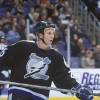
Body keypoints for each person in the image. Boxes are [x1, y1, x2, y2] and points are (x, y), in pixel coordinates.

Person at [0, 21, 93, 100]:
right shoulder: (23, 46)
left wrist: (78, 89)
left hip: (39, 97)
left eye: (53, 33)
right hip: (18, 94)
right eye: (49, 33)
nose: (52, 36)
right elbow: (3, 59)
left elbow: (65, 80)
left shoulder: (56, 57)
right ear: (40, 35)